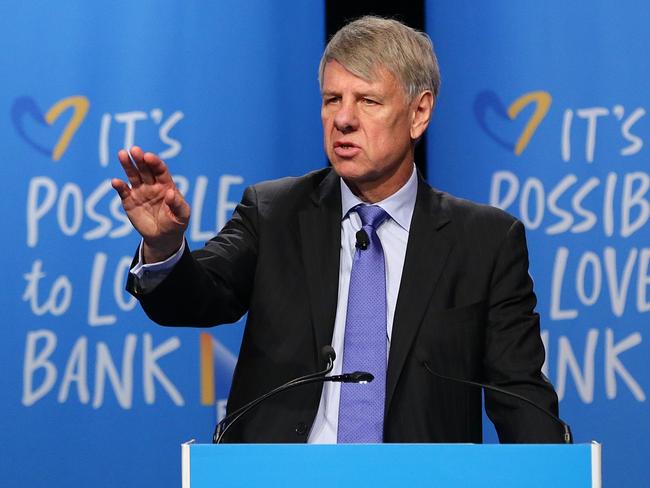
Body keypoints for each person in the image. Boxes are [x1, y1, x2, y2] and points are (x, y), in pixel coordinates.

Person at [112, 16, 565, 443]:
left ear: (419, 113)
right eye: (332, 99)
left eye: (367, 100)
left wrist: (555, 474)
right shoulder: (274, 213)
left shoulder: (484, 242)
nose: (343, 119)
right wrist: (165, 244)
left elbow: (520, 396)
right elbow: (196, 298)